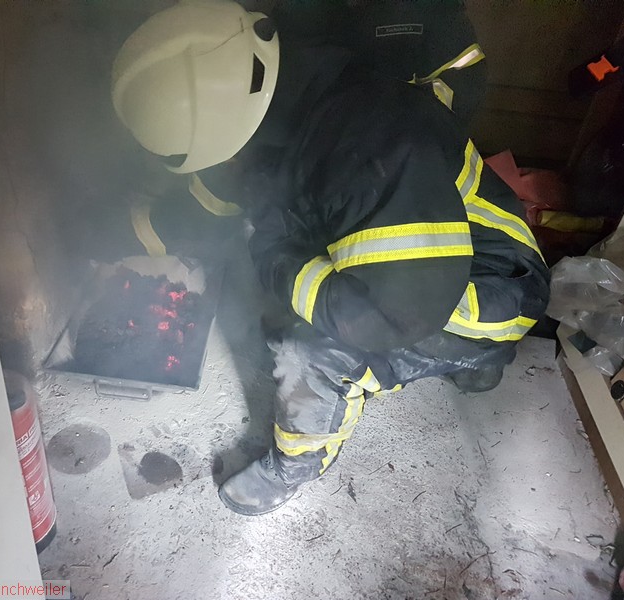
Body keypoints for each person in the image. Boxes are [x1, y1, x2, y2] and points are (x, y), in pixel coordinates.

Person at [111, 0, 550, 516]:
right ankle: (479, 366)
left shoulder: (370, 145)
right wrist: (123, 231)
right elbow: (228, 194)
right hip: (448, 261)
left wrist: (277, 259)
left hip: (490, 292)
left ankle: (297, 463)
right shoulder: (298, 86)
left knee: (305, 342)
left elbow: (388, 316)